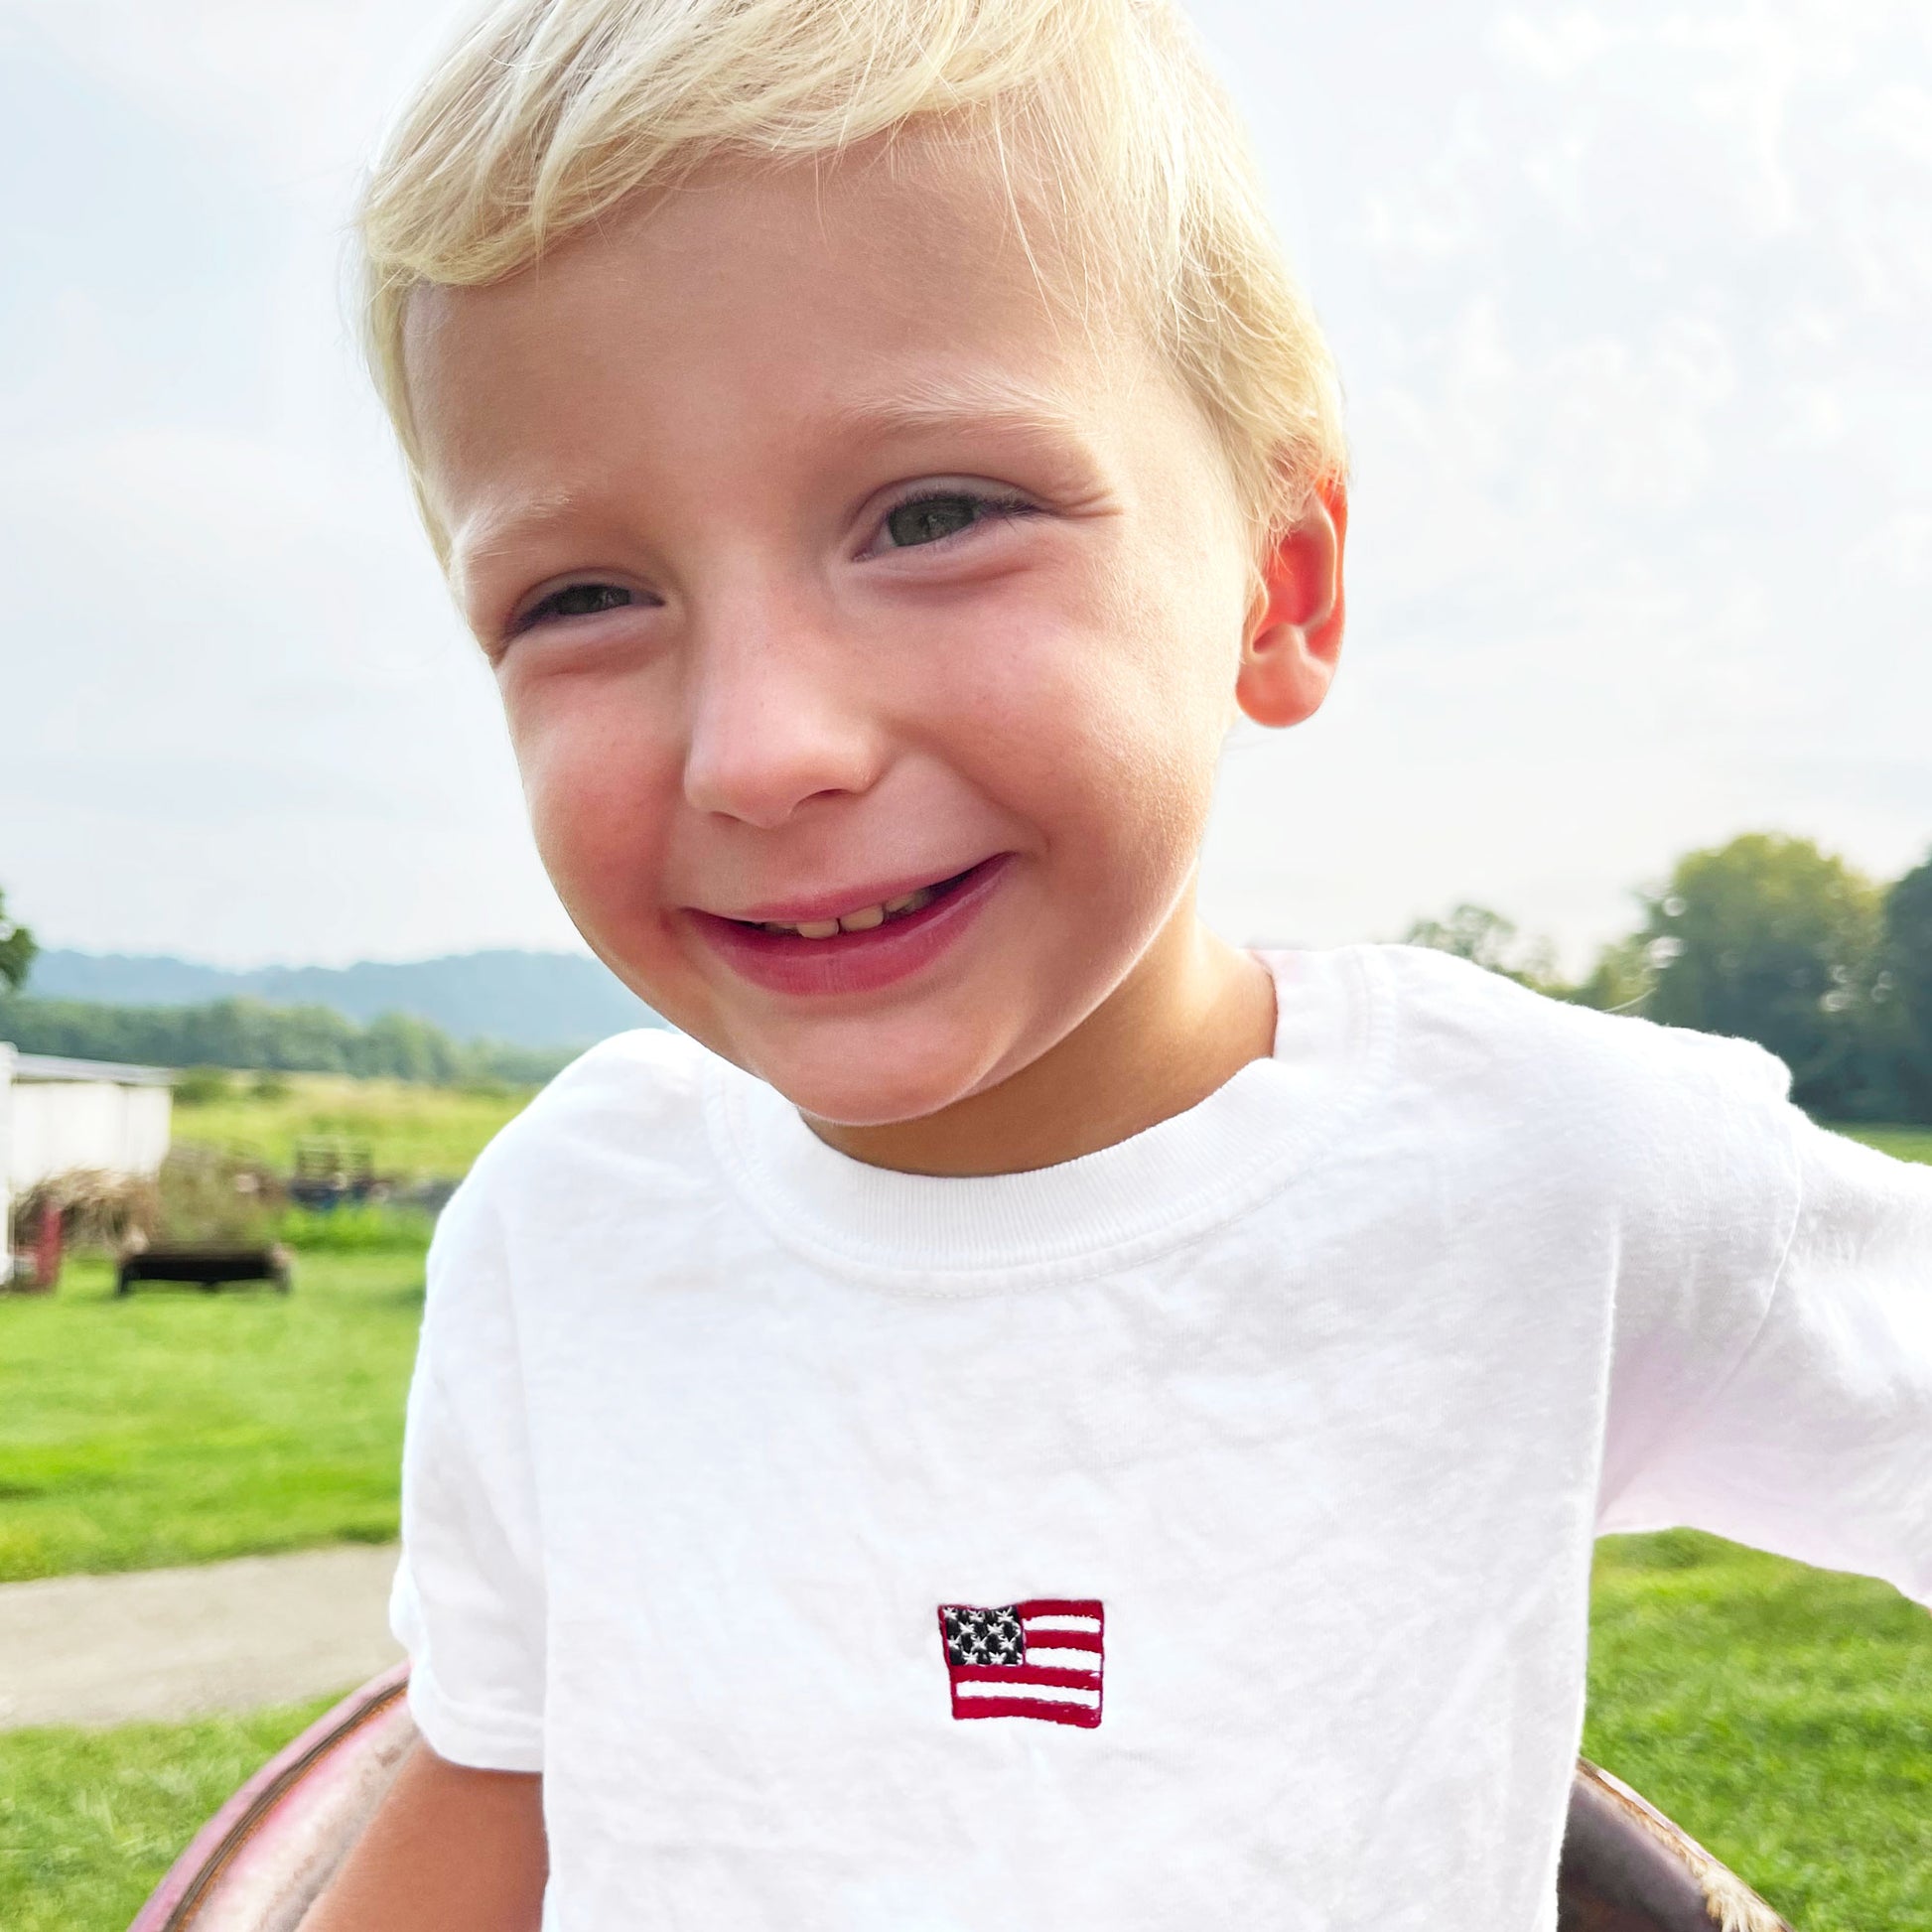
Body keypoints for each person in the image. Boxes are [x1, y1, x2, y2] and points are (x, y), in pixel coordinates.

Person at [305, 0, 1932, 1925]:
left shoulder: (1557, 1174)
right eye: (581, 596)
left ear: (1277, 580)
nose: (761, 747)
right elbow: (494, 1789)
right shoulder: (561, 1229)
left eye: (932, 516)